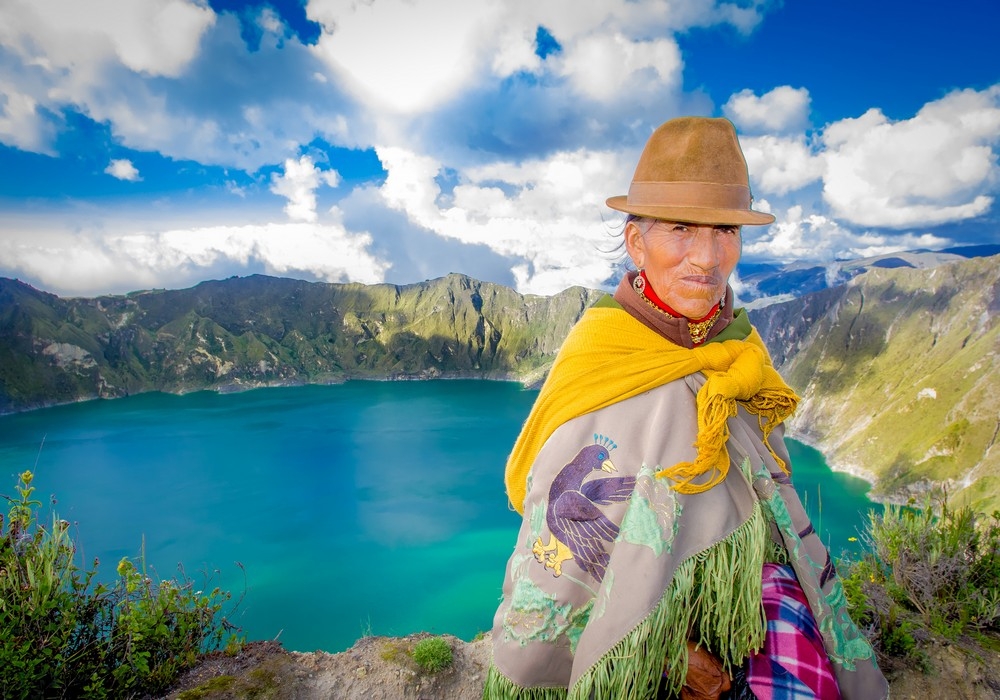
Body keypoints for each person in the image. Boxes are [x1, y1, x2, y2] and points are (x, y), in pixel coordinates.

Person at [482, 117, 888, 700]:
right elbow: (570, 544)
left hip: (731, 589)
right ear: (635, 240)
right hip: (632, 621)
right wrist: (673, 650)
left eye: (725, 230)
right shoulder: (602, 357)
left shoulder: (735, 345)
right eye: (680, 228)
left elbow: (764, 508)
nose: (707, 257)